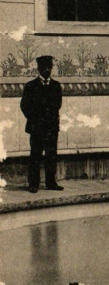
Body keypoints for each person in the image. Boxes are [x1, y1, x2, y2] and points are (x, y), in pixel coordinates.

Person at [20, 55, 63, 193]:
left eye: (49, 67)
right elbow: (24, 106)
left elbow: (57, 105)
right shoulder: (30, 86)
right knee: (35, 156)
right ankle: (33, 184)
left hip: (51, 128)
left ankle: (51, 183)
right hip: (36, 128)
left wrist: (48, 119)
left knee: (51, 155)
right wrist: (36, 119)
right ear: (39, 69)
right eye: (44, 68)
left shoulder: (56, 86)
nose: (47, 70)